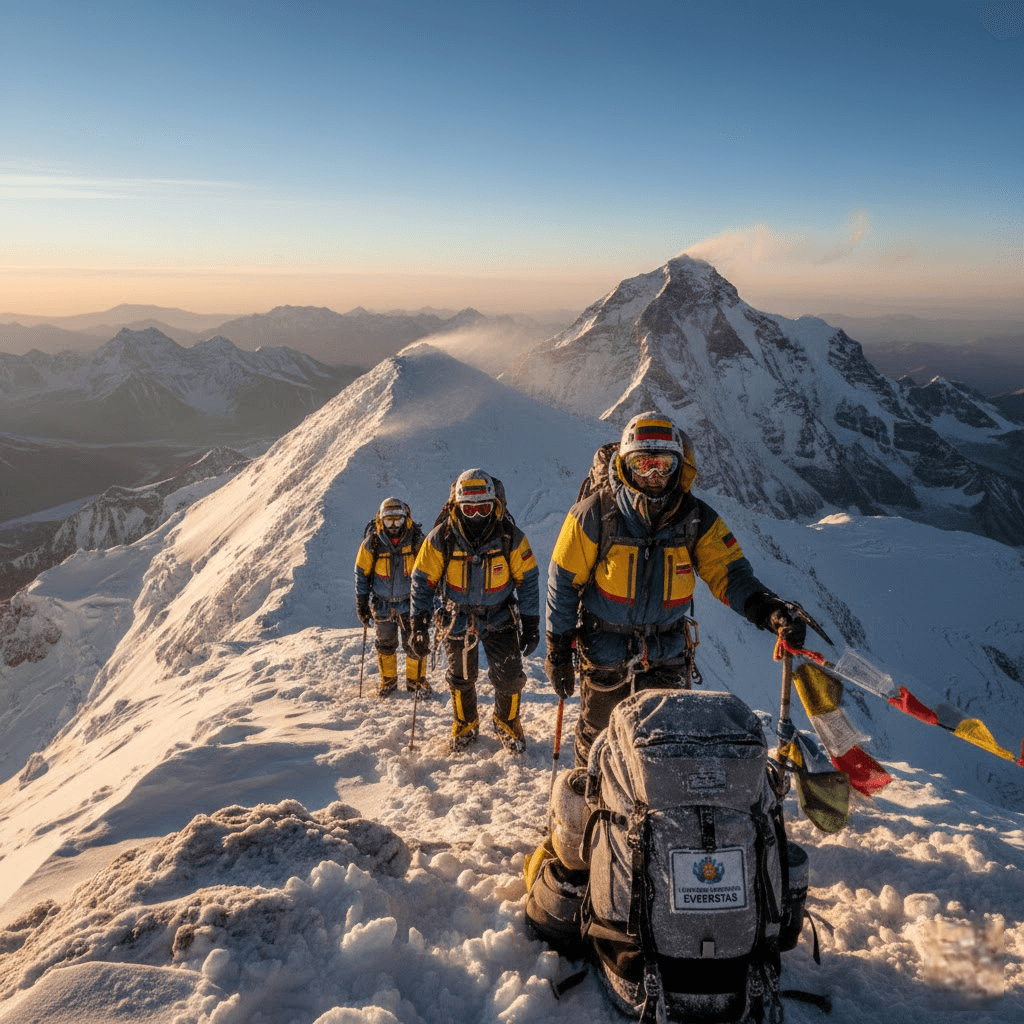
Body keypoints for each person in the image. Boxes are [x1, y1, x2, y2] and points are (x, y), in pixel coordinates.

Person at [545, 411, 808, 767]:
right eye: (643, 464)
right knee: (598, 742)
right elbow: (563, 583)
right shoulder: (593, 514)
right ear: (625, 465)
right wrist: (558, 647)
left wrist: (767, 609)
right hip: (604, 649)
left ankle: (654, 818)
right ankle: (587, 813)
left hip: (667, 651)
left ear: (679, 466)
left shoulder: (696, 519)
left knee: (667, 745)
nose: (653, 476)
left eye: (663, 465)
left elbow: (729, 573)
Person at [409, 469, 540, 753]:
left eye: (484, 508)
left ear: (495, 506)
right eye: (470, 509)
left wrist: (531, 622)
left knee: (511, 676)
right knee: (461, 677)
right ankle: (465, 722)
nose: (477, 516)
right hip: (458, 617)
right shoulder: (441, 538)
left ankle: (507, 721)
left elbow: (527, 579)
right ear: (457, 507)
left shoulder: (510, 536)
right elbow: (422, 581)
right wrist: (417, 625)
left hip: (501, 614)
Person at [354, 496, 428, 699]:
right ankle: (388, 680)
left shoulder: (417, 541)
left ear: (406, 519)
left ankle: (416, 682)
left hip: (410, 603)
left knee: (414, 642)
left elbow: (429, 572)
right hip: (382, 603)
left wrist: (429, 601)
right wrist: (362, 601)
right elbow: (362, 573)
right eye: (389, 520)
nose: (394, 525)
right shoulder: (373, 543)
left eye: (398, 519)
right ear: (381, 520)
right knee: (385, 644)